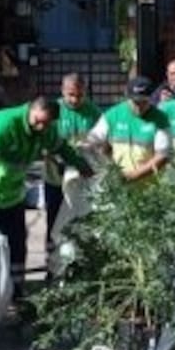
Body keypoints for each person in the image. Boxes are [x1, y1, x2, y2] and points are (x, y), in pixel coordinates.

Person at [0, 97, 93, 299]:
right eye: (38, 121)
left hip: (16, 194)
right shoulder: (3, 124)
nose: (41, 127)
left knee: (19, 244)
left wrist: (80, 164)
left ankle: (17, 292)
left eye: (46, 123)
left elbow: (61, 148)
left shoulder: (46, 129)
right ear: (30, 110)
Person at [45, 72, 101, 249]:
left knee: (81, 220)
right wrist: (57, 161)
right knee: (55, 223)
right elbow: (43, 142)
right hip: (55, 177)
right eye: (71, 94)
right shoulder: (53, 111)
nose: (75, 99)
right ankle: (52, 265)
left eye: (79, 95)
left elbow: (102, 142)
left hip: (82, 178)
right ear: (62, 91)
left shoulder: (94, 112)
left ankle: (80, 262)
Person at [86, 76, 172, 183]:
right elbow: (92, 140)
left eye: (144, 102)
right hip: (118, 185)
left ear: (150, 98)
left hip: (149, 188)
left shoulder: (160, 119)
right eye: (135, 102)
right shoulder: (113, 115)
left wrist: (132, 177)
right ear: (127, 97)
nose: (139, 107)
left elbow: (162, 156)